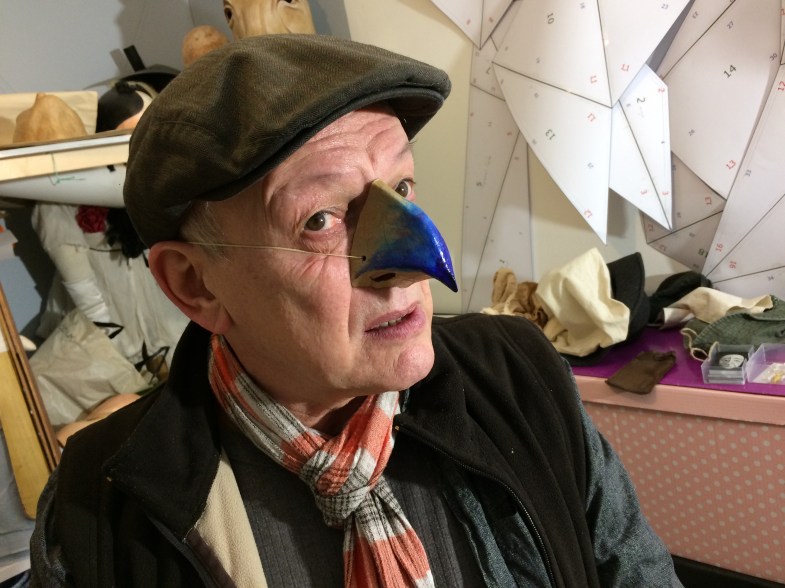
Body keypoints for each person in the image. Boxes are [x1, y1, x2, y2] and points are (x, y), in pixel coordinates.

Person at [30, 34, 683, 587]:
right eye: (320, 219)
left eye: (401, 188)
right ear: (196, 285)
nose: (415, 259)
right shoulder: (100, 508)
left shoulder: (522, 381)